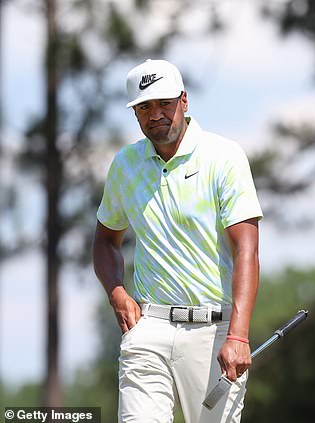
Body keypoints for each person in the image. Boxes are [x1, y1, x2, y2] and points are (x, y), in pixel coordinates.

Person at [93, 59, 263, 422]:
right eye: (144, 107)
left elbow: (246, 249)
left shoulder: (224, 156)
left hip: (215, 331)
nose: (155, 114)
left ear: (184, 101)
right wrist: (116, 292)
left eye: (164, 103)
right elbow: (106, 239)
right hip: (148, 329)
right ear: (135, 114)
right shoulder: (125, 165)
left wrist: (239, 334)